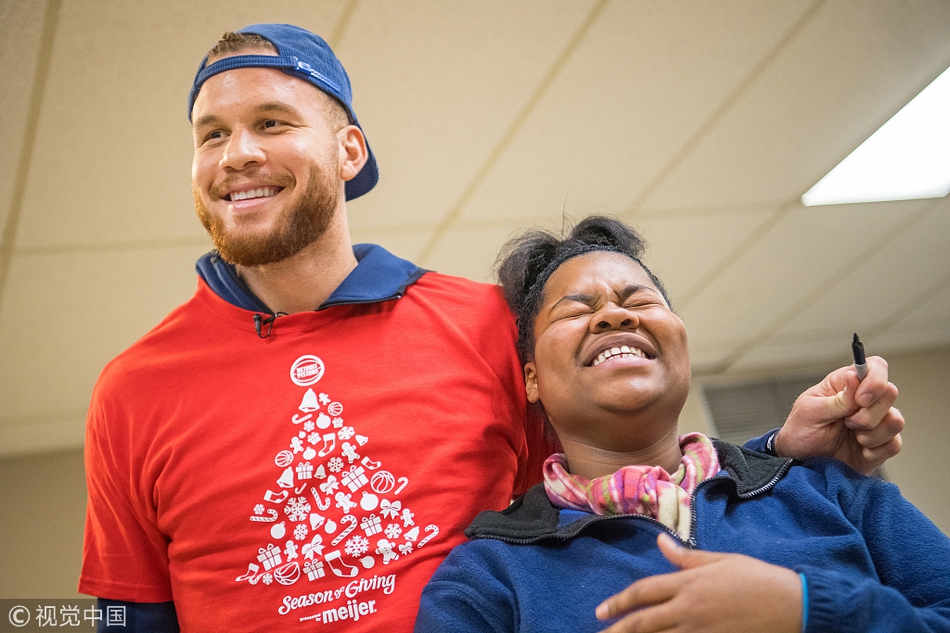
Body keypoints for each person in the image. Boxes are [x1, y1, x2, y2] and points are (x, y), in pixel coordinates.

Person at [78, 24, 904, 633]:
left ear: (349, 151)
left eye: (270, 122)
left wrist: (777, 457)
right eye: (210, 135)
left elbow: (627, 475)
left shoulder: (479, 321)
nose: (236, 153)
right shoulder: (132, 388)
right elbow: (128, 618)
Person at [413, 217, 950, 633]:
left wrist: (811, 610)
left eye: (639, 300)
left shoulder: (829, 492)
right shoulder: (488, 576)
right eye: (576, 310)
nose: (614, 316)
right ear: (531, 380)